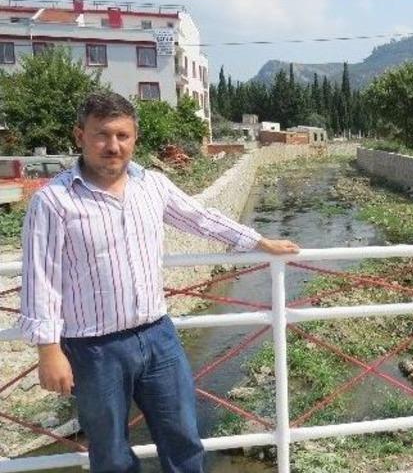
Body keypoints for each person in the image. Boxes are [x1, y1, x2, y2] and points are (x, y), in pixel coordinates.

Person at [17, 91, 299, 473]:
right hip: (93, 349)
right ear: (80, 135)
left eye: (123, 135)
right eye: (102, 135)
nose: (113, 146)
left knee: (183, 439)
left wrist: (258, 242)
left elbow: (200, 218)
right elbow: (41, 276)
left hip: (158, 336)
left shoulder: (152, 185)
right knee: (112, 454)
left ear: (134, 138)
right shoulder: (53, 201)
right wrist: (49, 350)